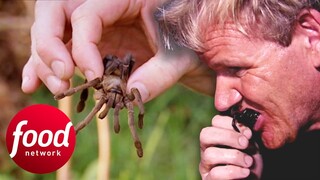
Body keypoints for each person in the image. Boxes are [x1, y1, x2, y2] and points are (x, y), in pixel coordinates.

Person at [22, 0, 320, 179]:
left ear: (311, 35)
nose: (220, 100)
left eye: (236, 69)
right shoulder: (281, 142)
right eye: (213, 73)